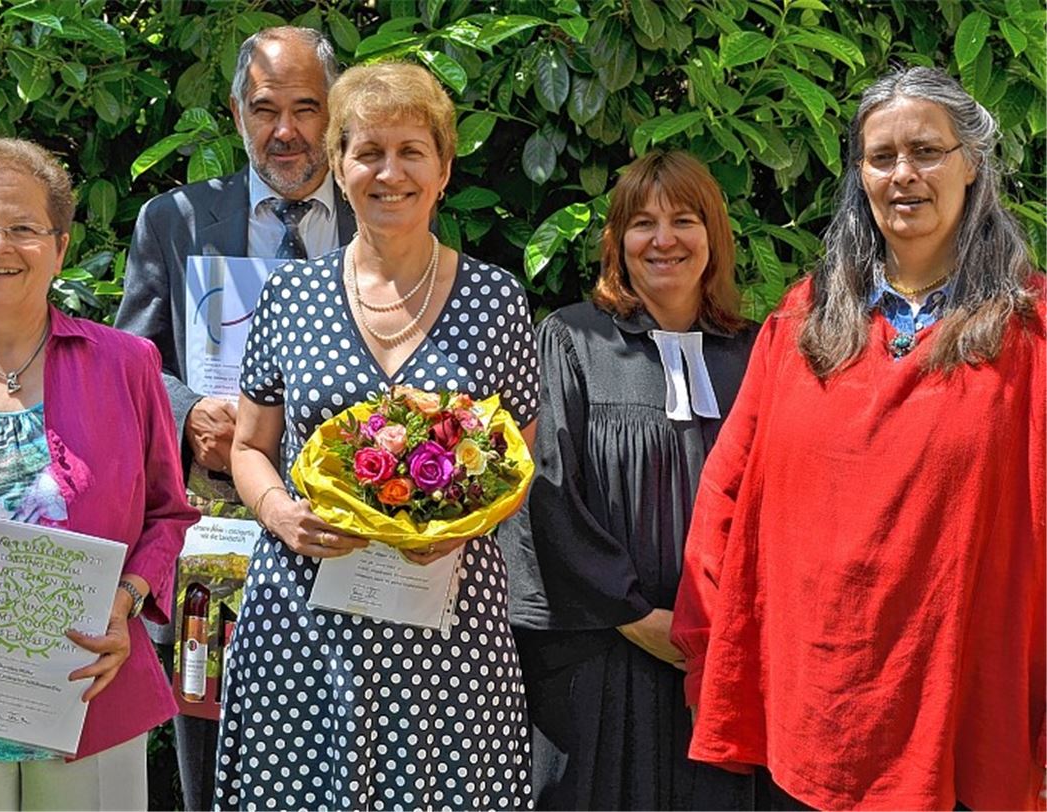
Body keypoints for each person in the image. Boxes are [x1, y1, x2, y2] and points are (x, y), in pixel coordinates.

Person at [671, 66, 1045, 810]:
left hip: (956, 716)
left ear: (973, 164)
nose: (903, 175)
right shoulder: (806, 317)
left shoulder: (1031, 331)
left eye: (927, 151)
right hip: (813, 718)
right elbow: (729, 486)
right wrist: (709, 644)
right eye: (881, 157)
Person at [218, 62, 540, 810]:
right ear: (338, 165)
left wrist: (464, 526)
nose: (388, 173)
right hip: (304, 617)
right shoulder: (291, 294)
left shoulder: (495, 299)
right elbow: (249, 446)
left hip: (447, 622)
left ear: (443, 168)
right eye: (367, 152)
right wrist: (279, 514)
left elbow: (521, 463)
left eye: (410, 152)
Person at [0, 138, 198, 810]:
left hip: (87, 698)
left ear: (60, 247)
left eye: (23, 228)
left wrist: (125, 605)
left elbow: (169, 515)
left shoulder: (126, 365)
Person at [113, 27, 354, 810]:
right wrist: (188, 417)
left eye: (306, 109)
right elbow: (134, 358)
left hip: (345, 533)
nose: (285, 132)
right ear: (235, 112)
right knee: (214, 757)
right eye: (264, 110)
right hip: (215, 534)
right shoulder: (176, 220)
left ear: (336, 112)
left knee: (339, 749)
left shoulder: (379, 215)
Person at [497, 151, 758, 810]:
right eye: (643, 223)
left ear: (714, 237)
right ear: (618, 243)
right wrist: (637, 614)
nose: (664, 239)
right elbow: (548, 487)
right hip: (598, 652)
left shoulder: (756, 354)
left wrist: (720, 632)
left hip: (721, 661)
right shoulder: (571, 340)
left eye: (684, 219)